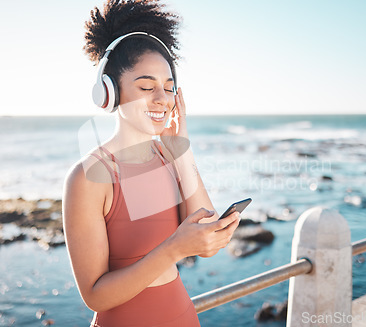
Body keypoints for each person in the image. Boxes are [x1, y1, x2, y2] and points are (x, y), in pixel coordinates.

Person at [62, 1, 240, 326]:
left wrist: (181, 151)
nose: (162, 98)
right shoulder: (89, 177)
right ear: (109, 92)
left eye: (169, 88)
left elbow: (208, 245)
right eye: (146, 87)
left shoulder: (171, 158)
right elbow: (95, 295)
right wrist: (172, 250)